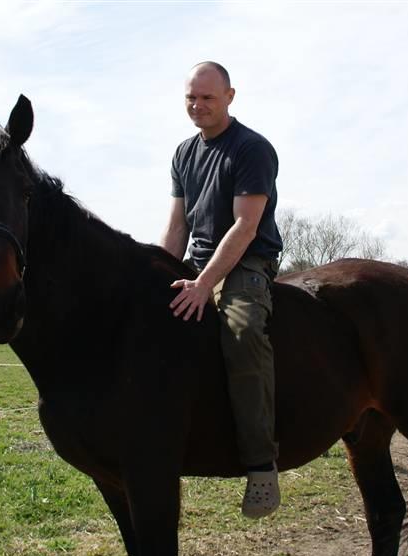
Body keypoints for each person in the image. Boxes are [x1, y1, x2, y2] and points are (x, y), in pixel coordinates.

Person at [160, 61, 283, 519]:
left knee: (242, 331)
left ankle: (261, 465)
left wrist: (204, 285)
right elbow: (177, 226)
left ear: (230, 96)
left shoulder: (252, 149)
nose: (198, 105)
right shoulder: (183, 154)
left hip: (247, 260)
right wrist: (160, 274)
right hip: (197, 259)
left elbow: (245, 226)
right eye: (191, 97)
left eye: (207, 97)